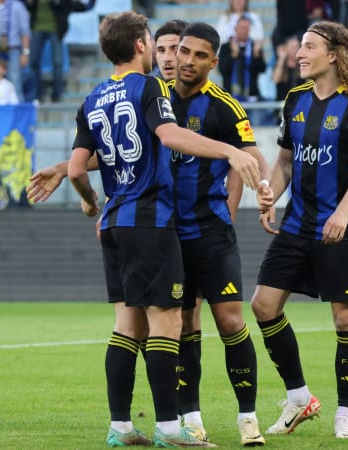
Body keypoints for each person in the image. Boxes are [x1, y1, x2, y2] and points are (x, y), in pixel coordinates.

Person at [67, 11, 260, 447]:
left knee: (125, 326)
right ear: (140, 45)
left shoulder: (92, 98)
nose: (162, 52)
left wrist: (92, 200)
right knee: (168, 323)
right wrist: (230, 151)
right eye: (154, 42)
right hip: (152, 221)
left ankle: (119, 428)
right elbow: (170, 136)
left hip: (114, 222)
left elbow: (78, 167)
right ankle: (172, 430)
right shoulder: (151, 86)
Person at [253, 21, 348, 440]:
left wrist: (343, 211)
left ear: (334, 54)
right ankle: (299, 397)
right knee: (263, 305)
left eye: (309, 47)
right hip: (296, 225)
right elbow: (286, 161)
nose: (299, 53)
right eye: (300, 46)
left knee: (345, 320)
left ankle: (345, 414)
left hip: (342, 226)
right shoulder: (294, 99)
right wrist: (271, 191)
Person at [167, 21, 271, 447]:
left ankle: (248, 418)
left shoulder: (224, 107)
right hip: (167, 236)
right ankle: (191, 419)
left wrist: (263, 187)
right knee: (184, 326)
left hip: (212, 233)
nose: (186, 61)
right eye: (182, 51)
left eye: (197, 55)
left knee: (230, 321)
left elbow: (251, 154)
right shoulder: (155, 99)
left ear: (213, 60)